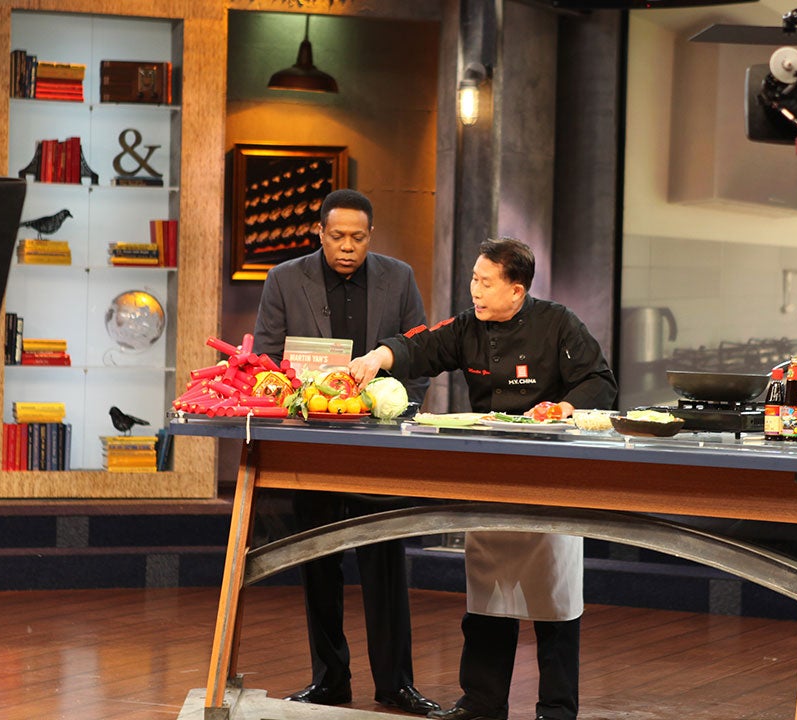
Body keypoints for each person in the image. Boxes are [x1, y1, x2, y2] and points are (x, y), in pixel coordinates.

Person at [349, 237, 618, 720]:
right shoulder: (467, 328)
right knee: (488, 596)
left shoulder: (558, 323)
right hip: (490, 475)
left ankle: (556, 709)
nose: (475, 289)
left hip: (551, 476)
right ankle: (482, 703)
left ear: (517, 291)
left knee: (554, 601)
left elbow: (600, 380)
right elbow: (420, 345)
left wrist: (566, 407)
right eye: (474, 278)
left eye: (485, 282)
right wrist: (376, 359)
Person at [252, 188, 439, 716]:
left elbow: (419, 354)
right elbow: (266, 359)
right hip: (313, 445)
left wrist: (398, 411)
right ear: (319, 232)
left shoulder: (398, 277)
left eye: (358, 238)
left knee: (385, 561)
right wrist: (297, 400)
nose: (348, 247)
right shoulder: (286, 279)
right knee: (320, 564)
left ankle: (396, 684)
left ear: (371, 236)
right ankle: (330, 679)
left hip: (377, 447)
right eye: (337, 237)